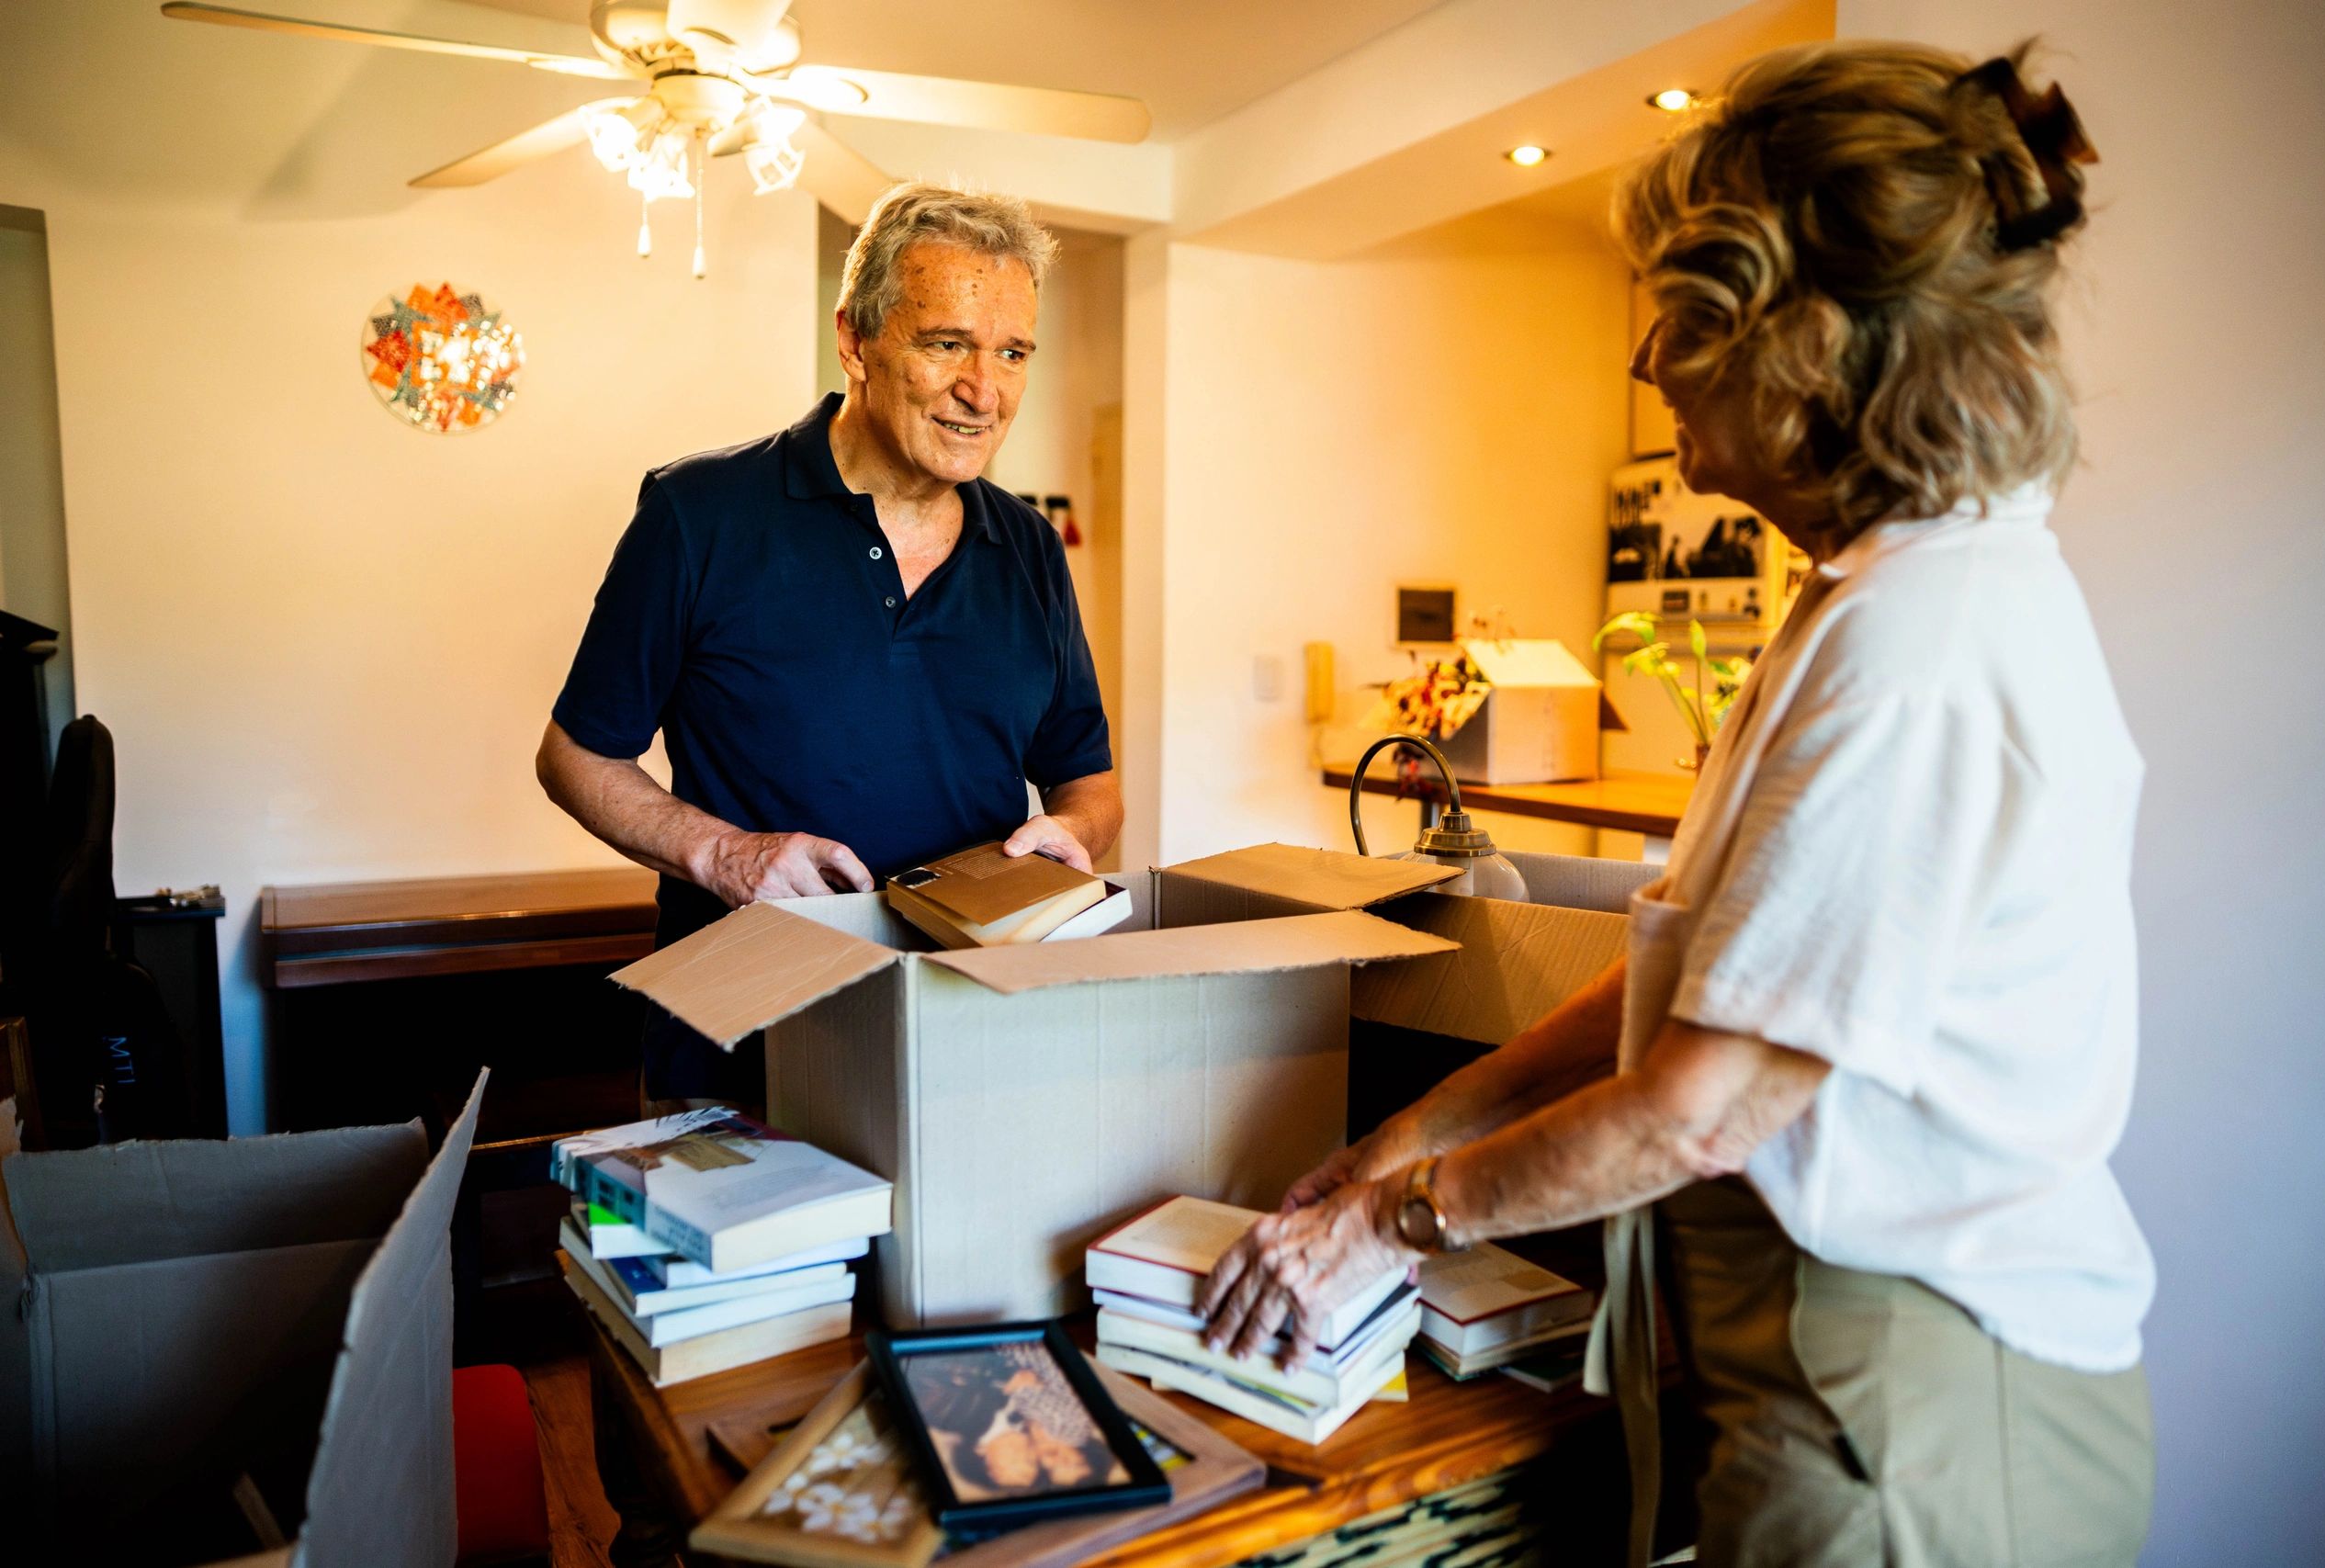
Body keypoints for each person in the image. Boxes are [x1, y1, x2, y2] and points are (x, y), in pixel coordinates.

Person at [1201, 41, 2153, 1568]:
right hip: (1818, 1367)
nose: (1645, 367)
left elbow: (1701, 1105)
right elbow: (1699, 964)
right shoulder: (1866, 602)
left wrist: (1389, 1224)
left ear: (1806, 352)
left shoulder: (1925, 645)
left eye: (1677, 321)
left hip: (1911, 1410)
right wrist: (1415, 1132)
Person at [538, 183, 1121, 1109]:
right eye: (946, 345)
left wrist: (1074, 835)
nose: (985, 390)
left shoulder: (1031, 550)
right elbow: (575, 755)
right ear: (856, 338)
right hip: (736, 1056)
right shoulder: (699, 515)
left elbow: (1086, 783)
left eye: (1012, 353)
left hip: (960, 1045)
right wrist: (727, 856)